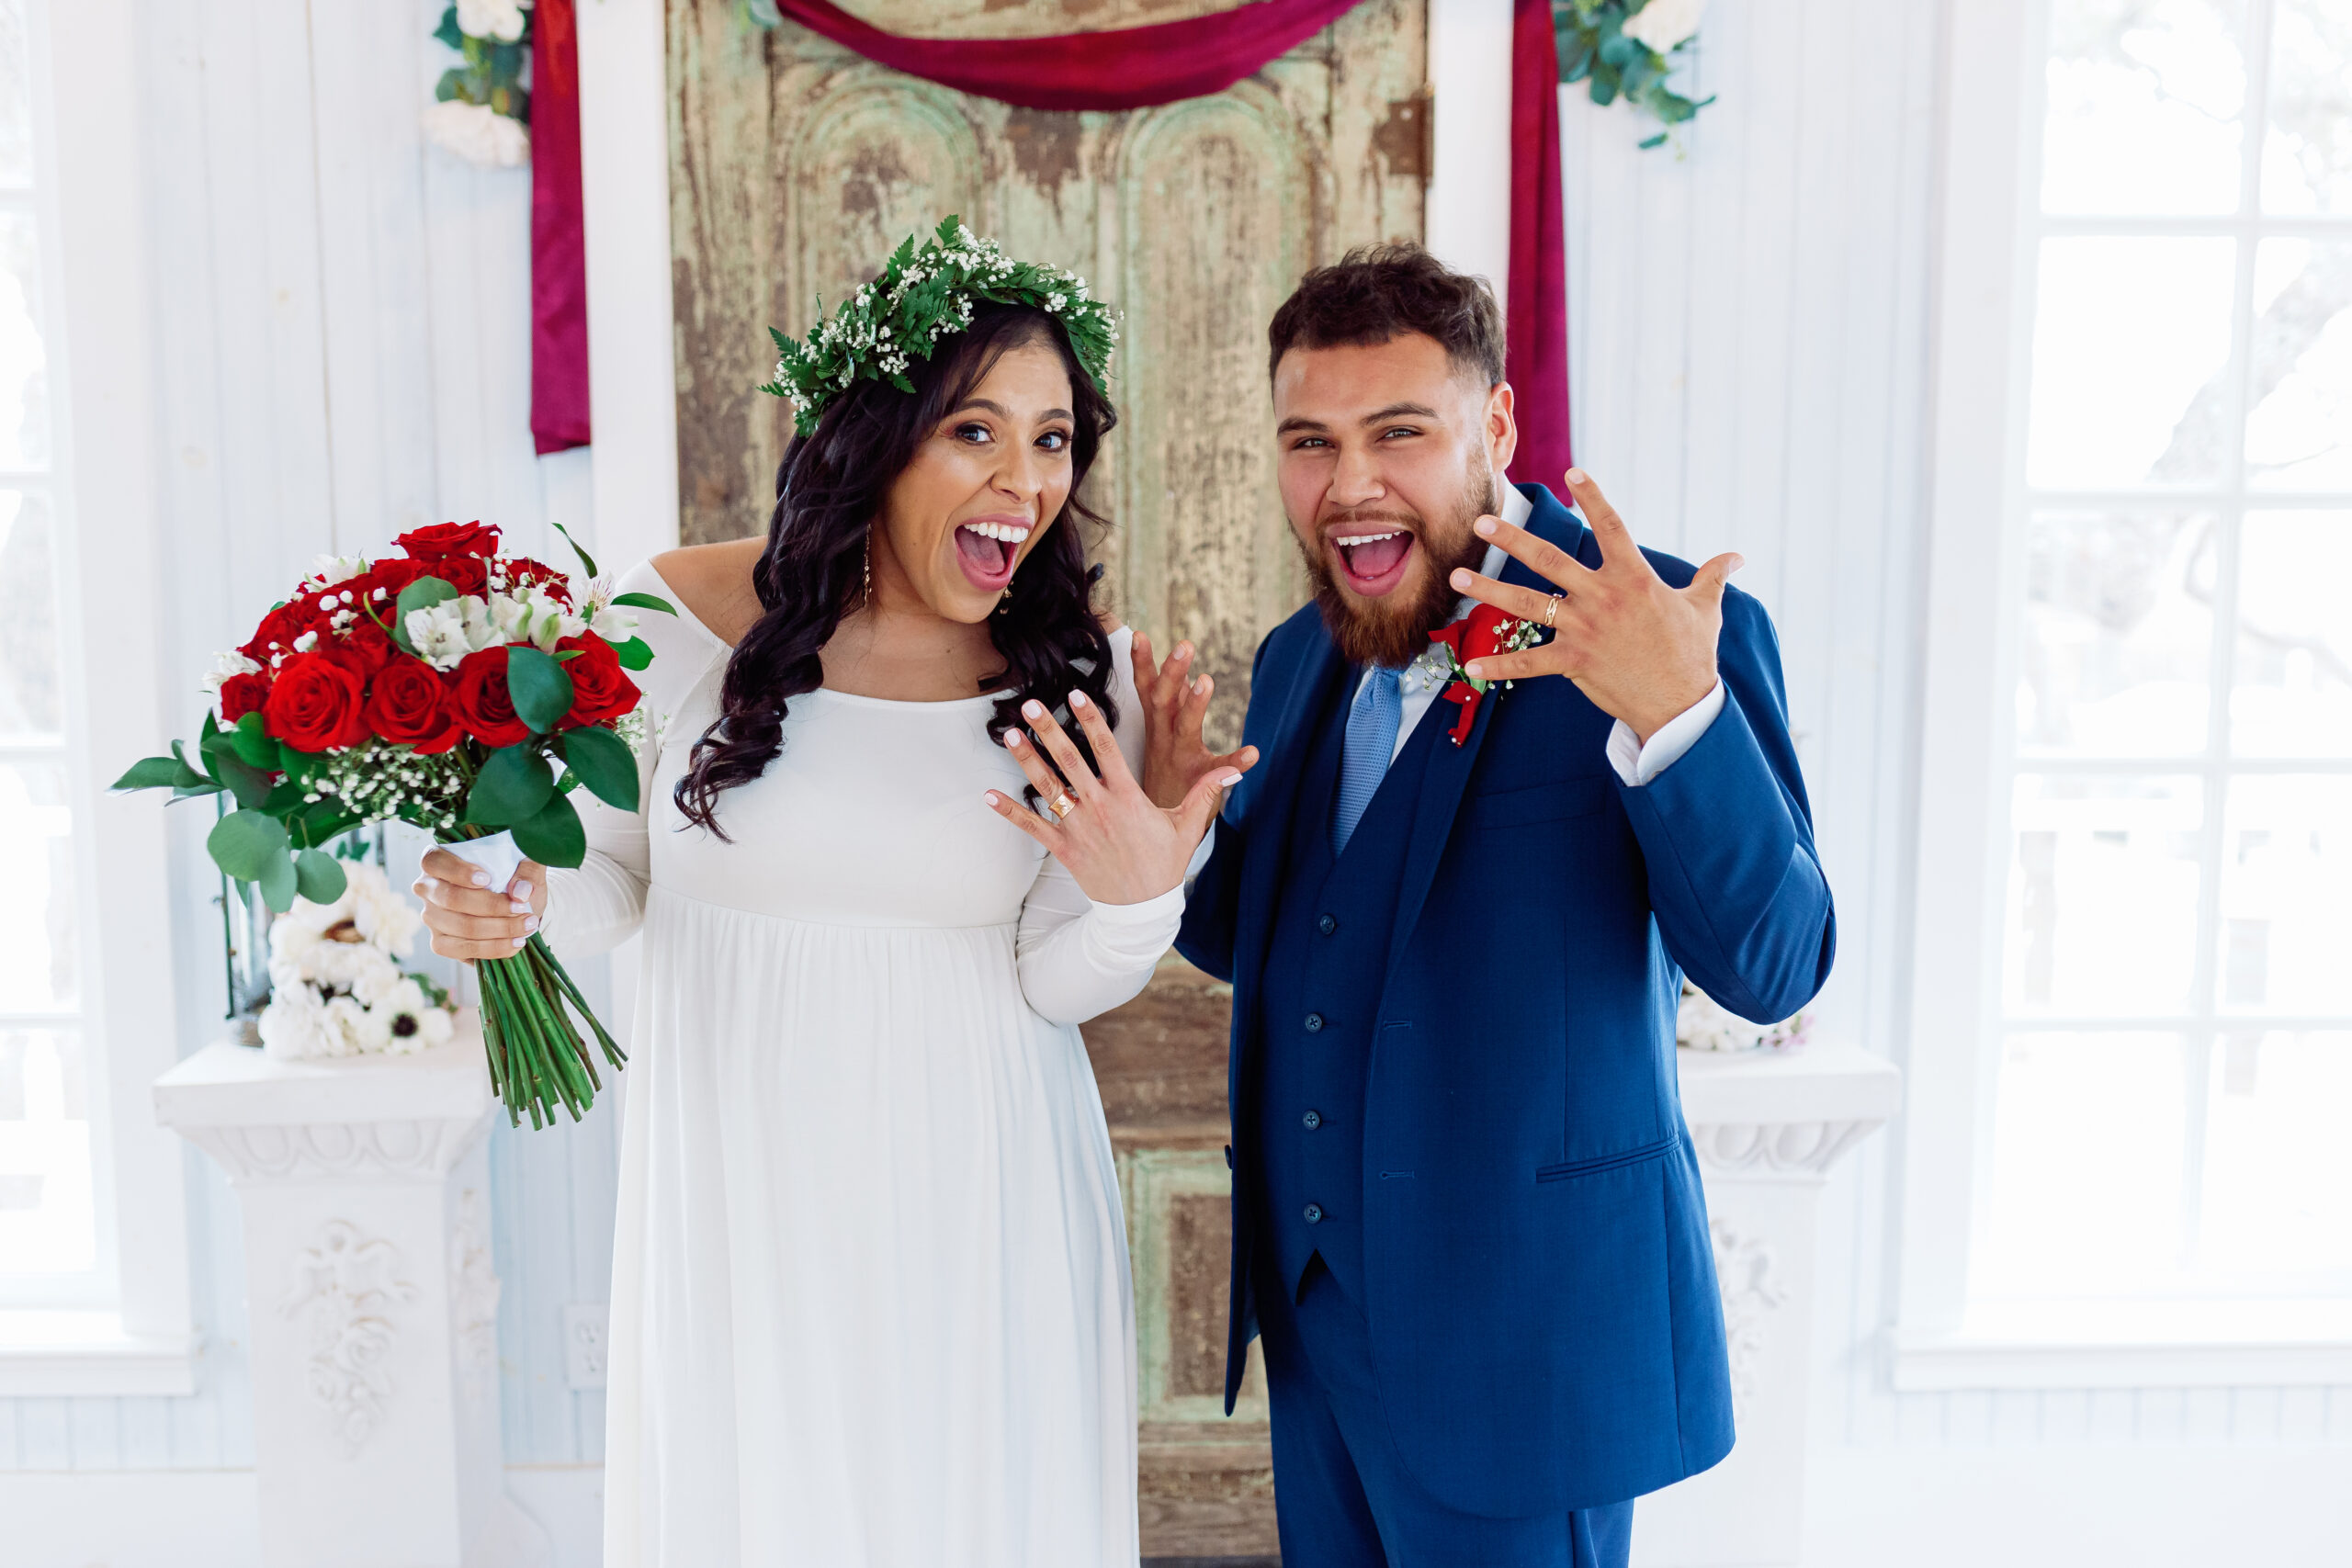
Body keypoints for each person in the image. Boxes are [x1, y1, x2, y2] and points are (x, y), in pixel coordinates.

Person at [413, 223, 1245, 1567]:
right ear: (878, 434)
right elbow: (607, 877)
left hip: (981, 1203)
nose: (1024, 481)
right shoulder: (669, 613)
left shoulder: (1081, 668)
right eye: (976, 430)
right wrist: (511, 903)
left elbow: (1055, 975)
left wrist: (1145, 893)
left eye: (1052, 438)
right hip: (742, 1197)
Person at [1172, 245, 1837, 1567]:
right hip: (1318, 1328)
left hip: (1529, 1348)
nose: (1349, 483)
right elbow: (1281, 942)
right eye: (1311, 441)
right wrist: (1165, 841)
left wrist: (1676, 715)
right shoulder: (1307, 654)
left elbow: (1776, 964)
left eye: (1398, 433)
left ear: (1497, 426)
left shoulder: (1650, 625)